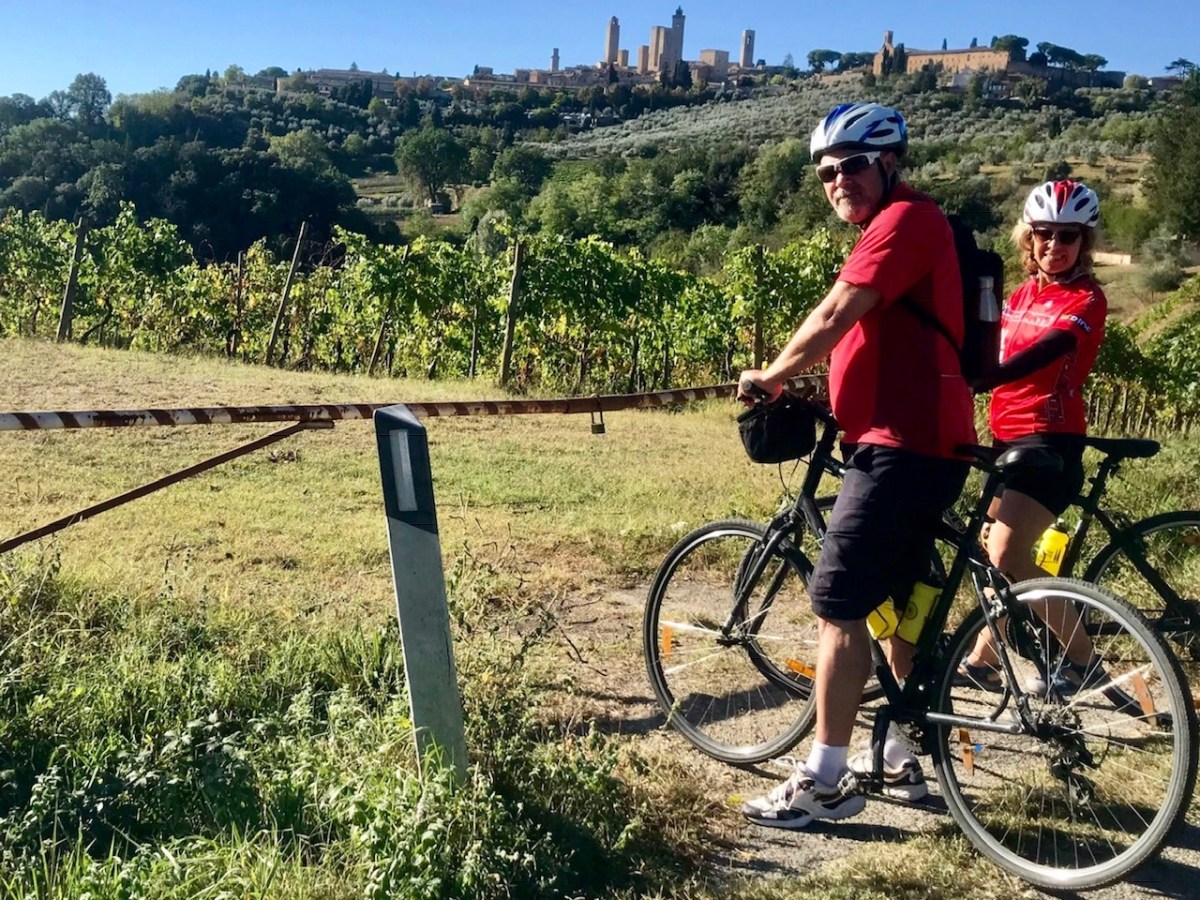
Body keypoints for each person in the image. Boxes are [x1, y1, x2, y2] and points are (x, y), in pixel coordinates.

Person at [736, 102, 975, 829]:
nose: (839, 180)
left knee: (838, 607)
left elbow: (838, 310)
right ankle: (898, 752)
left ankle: (825, 780)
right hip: (913, 440)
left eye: (853, 166)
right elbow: (875, 336)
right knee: (896, 604)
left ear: (890, 163)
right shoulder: (896, 228)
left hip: (901, 446)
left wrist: (774, 374)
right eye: (826, 173)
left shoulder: (906, 222)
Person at [954, 180, 1107, 695]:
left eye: (1068, 236)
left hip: (1050, 443)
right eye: (1044, 234)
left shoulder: (1086, 298)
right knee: (994, 559)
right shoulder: (1019, 294)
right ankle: (987, 661)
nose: (1054, 245)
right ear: (1029, 236)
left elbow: (1051, 348)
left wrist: (988, 378)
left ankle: (1083, 663)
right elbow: (983, 345)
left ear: (1084, 243)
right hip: (1005, 439)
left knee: (1008, 560)